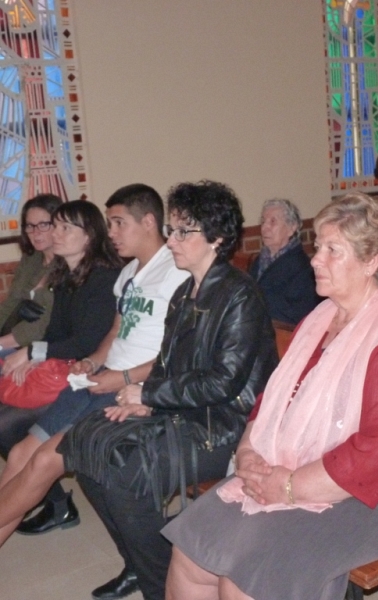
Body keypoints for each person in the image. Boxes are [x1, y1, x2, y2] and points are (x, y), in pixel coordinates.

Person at [162, 192, 378, 600]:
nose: (315, 260)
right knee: (192, 553)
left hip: (372, 498)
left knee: (246, 580)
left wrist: (292, 487)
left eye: (334, 251)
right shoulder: (318, 322)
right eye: (319, 248)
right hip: (287, 468)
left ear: (372, 262)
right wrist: (247, 452)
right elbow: (272, 400)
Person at [55, 180, 278, 600]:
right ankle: (142, 565)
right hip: (185, 410)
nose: (171, 240)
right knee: (83, 445)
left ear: (216, 237)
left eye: (182, 231)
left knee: (124, 471)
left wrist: (150, 396)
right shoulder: (183, 292)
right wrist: (146, 400)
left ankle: (160, 585)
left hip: (227, 424)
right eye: (171, 229)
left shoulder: (239, 295)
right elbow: (169, 363)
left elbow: (223, 382)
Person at [0, 184, 189, 560]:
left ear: (149, 222)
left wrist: (120, 377)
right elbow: (114, 333)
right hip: (94, 378)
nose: (111, 232)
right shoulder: (128, 273)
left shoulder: (175, 273)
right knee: (22, 452)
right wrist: (94, 361)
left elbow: (178, 351)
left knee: (42, 462)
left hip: (127, 389)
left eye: (118, 223)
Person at [0, 199, 122, 536]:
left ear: (88, 237)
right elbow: (52, 332)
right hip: (69, 372)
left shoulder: (104, 279)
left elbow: (86, 342)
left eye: (63, 227)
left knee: (20, 442)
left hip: (92, 380)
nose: (54, 232)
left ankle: (55, 506)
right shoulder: (67, 275)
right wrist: (33, 354)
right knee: (19, 455)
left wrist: (31, 353)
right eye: (55, 225)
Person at [0, 193, 63, 356]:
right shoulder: (31, 259)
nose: (36, 232)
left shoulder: (68, 264)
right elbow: (11, 303)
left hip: (44, 344)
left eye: (43, 225)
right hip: (13, 339)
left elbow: (42, 323)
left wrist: (1, 344)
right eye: (30, 226)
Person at [249, 198, 319, 325]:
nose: (265, 227)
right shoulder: (260, 260)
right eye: (263, 221)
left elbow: (297, 316)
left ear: (292, 228)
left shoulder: (303, 268)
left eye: (273, 222)